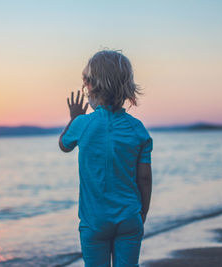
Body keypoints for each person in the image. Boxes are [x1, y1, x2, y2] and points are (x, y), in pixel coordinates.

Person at [59, 50, 153, 267]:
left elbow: (64, 145)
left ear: (90, 87)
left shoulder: (82, 124)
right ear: (126, 88)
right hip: (130, 216)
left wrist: (74, 119)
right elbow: (145, 179)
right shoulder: (137, 130)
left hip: (94, 221)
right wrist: (142, 213)